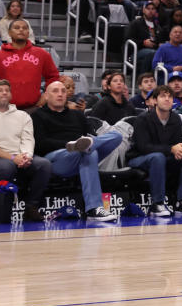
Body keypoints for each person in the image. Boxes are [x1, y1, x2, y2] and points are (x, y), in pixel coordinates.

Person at [31, 81, 122, 221]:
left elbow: (91, 136)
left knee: (116, 136)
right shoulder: (37, 116)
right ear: (46, 96)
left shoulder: (78, 115)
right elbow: (40, 144)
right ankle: (94, 208)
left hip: (83, 153)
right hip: (57, 158)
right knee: (88, 151)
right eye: (55, 91)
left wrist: (88, 143)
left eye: (63, 91)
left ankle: (83, 147)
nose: (60, 94)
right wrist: (69, 145)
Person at [0, 78, 52, 222]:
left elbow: (27, 139)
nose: (5, 93)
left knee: (44, 164)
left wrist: (26, 156)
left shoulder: (23, 115)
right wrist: (13, 158)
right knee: (6, 166)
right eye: (0, 90)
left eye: (7, 90)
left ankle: (31, 207)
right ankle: (1, 213)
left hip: (21, 155)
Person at [130, 85, 182, 216]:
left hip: (163, 157)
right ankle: (158, 204)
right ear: (155, 100)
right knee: (157, 157)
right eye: (163, 96)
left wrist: (181, 150)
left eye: (170, 96)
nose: (167, 99)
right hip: (138, 158)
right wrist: (171, 149)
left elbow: (176, 144)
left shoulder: (176, 118)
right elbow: (143, 147)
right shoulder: (143, 119)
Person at [0, 19, 61, 110]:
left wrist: (46, 96)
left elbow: (53, 77)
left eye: (25, 28)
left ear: (28, 33)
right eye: (17, 28)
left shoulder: (42, 54)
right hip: (4, 110)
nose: (21, 30)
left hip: (34, 109)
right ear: (9, 33)